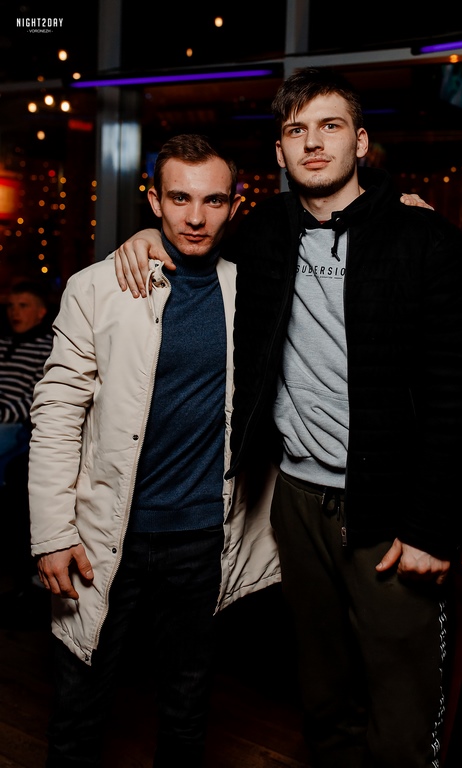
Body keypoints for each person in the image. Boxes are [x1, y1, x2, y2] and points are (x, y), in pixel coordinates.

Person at [113, 69, 462, 768]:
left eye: (330, 126)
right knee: (322, 698)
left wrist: (431, 527)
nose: (313, 143)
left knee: (403, 713)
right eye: (296, 130)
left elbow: (460, 392)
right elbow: (193, 237)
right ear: (280, 152)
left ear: (361, 142)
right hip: (293, 500)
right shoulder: (261, 235)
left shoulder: (423, 239)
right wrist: (144, 238)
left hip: (392, 509)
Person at [28, 134, 280, 768]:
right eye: (179, 198)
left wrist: (400, 207)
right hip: (102, 538)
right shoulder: (96, 287)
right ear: (154, 201)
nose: (195, 217)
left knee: (186, 713)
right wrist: (51, 533)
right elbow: (56, 414)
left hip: (203, 538)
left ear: (235, 205)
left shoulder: (254, 291)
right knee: (79, 710)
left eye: (213, 200)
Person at [0, 280, 53, 485]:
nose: (15, 312)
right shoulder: (4, 342)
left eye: (23, 306)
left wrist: (3, 413)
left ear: (40, 312)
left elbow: (37, 396)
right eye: (11, 306)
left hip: (15, 422)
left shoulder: (47, 347)